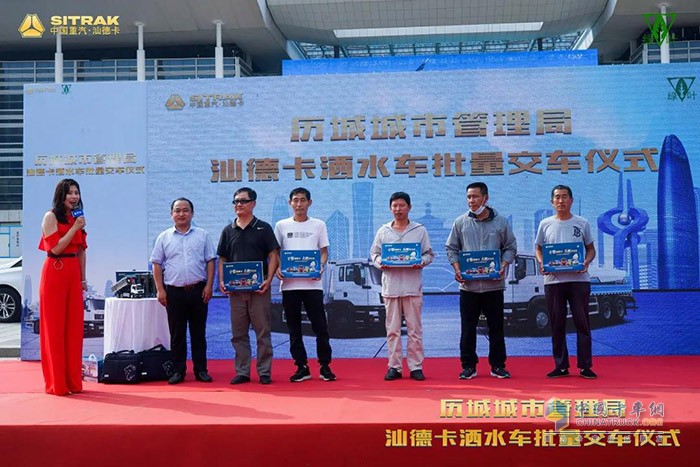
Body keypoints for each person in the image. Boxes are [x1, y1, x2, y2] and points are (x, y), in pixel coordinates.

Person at [446, 182, 516, 380]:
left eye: (475, 196)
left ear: (486, 198)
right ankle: (468, 366)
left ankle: (498, 365)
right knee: (468, 328)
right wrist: (457, 269)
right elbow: (451, 248)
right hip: (468, 287)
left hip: (494, 285)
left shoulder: (500, 222)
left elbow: (510, 247)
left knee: (496, 327)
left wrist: (504, 264)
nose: (471, 201)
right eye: (468, 197)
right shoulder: (460, 222)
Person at [150, 198, 216, 385]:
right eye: (177, 210)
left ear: (192, 213)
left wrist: (209, 286)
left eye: (185, 210)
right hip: (174, 292)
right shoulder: (164, 237)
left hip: (198, 290)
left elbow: (210, 261)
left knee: (198, 334)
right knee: (177, 334)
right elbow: (156, 263)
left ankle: (201, 370)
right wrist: (160, 289)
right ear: (171, 214)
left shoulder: (202, 235)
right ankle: (178, 371)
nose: (181, 214)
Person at [218, 187, 280, 385]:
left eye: (243, 201)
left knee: (263, 332)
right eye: (236, 201)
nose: (239, 204)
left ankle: (264, 371)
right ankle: (242, 371)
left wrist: (269, 279)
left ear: (253, 203)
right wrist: (222, 281)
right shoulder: (228, 230)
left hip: (259, 289)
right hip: (236, 292)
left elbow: (273, 255)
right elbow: (222, 258)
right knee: (238, 334)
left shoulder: (263, 228)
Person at [370, 192, 434, 381]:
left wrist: (421, 261)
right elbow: (374, 254)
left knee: (414, 330)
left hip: (412, 287)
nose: (398, 209)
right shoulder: (383, 231)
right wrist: (380, 263)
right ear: (390, 208)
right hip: (390, 287)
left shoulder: (419, 230)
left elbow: (429, 254)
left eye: (402, 205)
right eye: (394, 206)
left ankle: (416, 366)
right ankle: (394, 366)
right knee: (392, 330)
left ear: (409, 207)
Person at [274, 187, 336, 382]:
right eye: (295, 200)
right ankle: (301, 366)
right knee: (294, 329)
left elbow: (324, 251)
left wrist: (321, 266)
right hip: (289, 285)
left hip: (313, 285)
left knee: (320, 327)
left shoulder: (319, 225)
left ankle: (325, 366)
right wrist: (278, 267)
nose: (299, 204)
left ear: (310, 202)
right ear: (290, 203)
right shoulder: (281, 225)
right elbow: (275, 252)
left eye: (302, 200)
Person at [535, 185, 597, 379]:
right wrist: (542, 262)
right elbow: (538, 249)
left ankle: (585, 366)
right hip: (553, 282)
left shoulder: (582, 223)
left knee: (582, 323)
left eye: (564, 197)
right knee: (557, 324)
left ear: (571, 200)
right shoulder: (545, 224)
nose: (560, 201)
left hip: (578, 280)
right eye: (557, 197)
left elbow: (590, 249)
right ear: (552, 202)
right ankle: (561, 366)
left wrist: (586, 262)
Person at [38, 178, 87, 396]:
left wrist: (83, 279)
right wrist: (74, 228)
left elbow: (82, 250)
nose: (74, 197)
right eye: (70, 193)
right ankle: (57, 384)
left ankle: (73, 382)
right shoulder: (51, 217)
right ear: (61, 196)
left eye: (76, 193)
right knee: (55, 329)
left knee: (74, 330)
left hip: (73, 273)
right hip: (55, 271)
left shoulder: (77, 217)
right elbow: (55, 248)